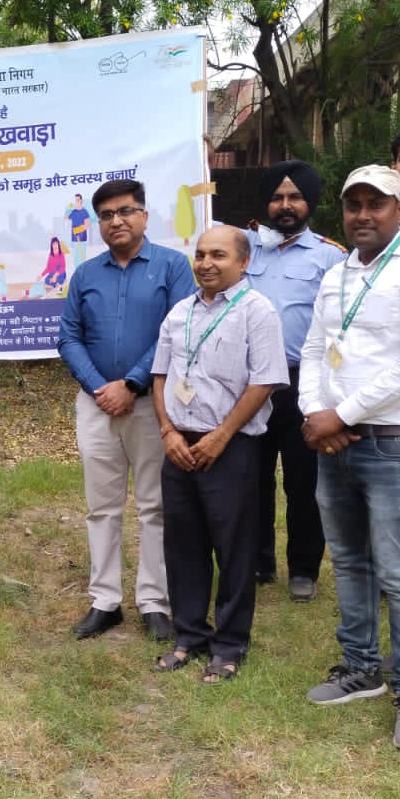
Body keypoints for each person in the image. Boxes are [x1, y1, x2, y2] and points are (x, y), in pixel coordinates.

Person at [300, 164, 400, 749]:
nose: (363, 215)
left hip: (395, 441)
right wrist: (315, 413)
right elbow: (315, 348)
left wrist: (340, 415)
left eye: (376, 204)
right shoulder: (338, 273)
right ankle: (361, 667)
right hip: (334, 439)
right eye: (354, 205)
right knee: (348, 561)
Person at [58, 178, 197, 644]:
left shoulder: (173, 267)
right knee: (102, 507)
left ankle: (154, 601)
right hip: (97, 405)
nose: (116, 221)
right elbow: (69, 337)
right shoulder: (85, 275)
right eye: (106, 215)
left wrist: (133, 383)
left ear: (144, 216)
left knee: (156, 505)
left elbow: (176, 333)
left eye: (125, 211)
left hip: (152, 405)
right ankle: (105, 601)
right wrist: (101, 388)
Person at [151, 226, 286, 681]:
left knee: (234, 548)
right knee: (183, 545)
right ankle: (190, 634)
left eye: (219, 255)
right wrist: (168, 431)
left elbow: (264, 380)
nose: (206, 263)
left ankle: (229, 643)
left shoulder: (257, 311)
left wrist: (222, 436)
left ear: (244, 262)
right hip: (179, 445)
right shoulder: (180, 312)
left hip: (231, 447)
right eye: (201, 254)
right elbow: (160, 376)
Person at [244, 160, 346, 601]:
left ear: (310, 203)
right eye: (277, 197)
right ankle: (258, 561)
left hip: (303, 384)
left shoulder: (331, 256)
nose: (285, 206)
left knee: (304, 481)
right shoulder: (243, 247)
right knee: (252, 478)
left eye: (295, 197)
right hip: (249, 384)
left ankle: (304, 569)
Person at [65, 193, 91, 267]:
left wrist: (78, 230)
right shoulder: (73, 212)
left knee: (82, 258)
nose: (76, 202)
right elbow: (65, 217)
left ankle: (83, 272)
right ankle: (77, 272)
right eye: (75, 200)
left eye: (78, 200)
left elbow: (87, 225)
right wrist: (68, 209)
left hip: (82, 239)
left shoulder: (84, 211)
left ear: (81, 200)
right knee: (76, 259)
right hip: (74, 239)